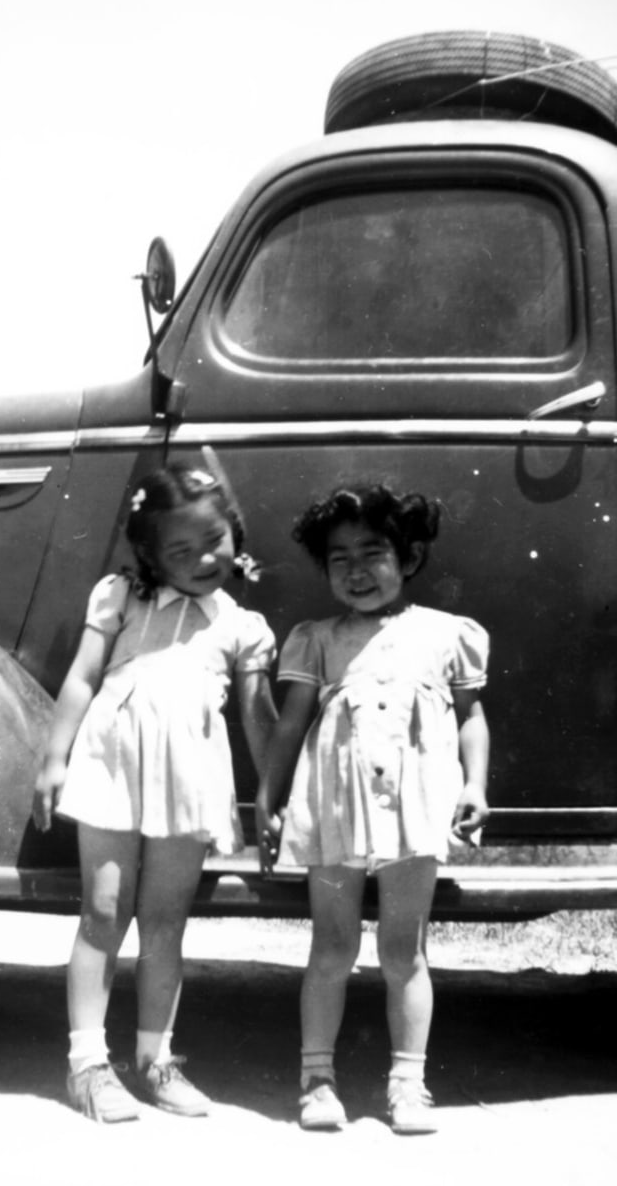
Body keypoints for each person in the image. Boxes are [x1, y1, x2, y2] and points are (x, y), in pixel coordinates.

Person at [33, 461, 277, 1123]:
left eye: (215, 540)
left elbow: (258, 718)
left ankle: (155, 1061)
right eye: (180, 549)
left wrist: (276, 795)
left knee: (165, 922)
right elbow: (83, 679)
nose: (203, 557)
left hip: (189, 779)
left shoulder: (239, 623)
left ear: (236, 533)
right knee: (105, 911)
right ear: (148, 551)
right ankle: (88, 1065)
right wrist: (54, 760)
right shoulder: (120, 596)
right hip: (113, 768)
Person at [256, 483, 489, 1134]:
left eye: (373, 552)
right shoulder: (316, 638)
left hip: (414, 810)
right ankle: (317, 1078)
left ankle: (408, 1085)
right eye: (339, 559)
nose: (356, 571)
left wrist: (475, 786)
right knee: (331, 947)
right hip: (334, 808)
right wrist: (269, 799)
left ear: (408, 556)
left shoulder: (448, 635)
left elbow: (472, 719)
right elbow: (290, 725)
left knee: (402, 951)